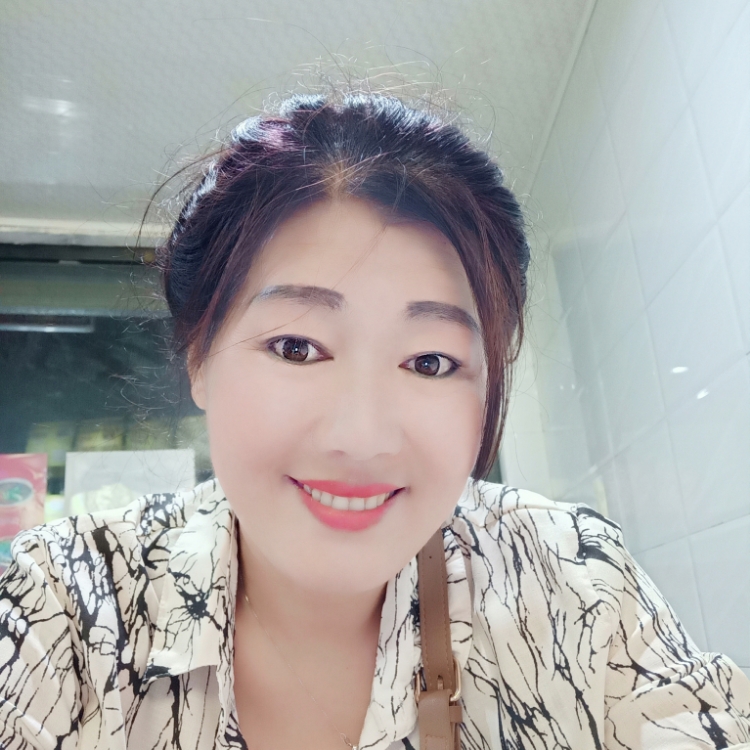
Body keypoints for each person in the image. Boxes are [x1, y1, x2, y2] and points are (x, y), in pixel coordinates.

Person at [0, 92, 748, 750]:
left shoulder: (568, 578)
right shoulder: (65, 605)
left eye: (430, 361)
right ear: (199, 354)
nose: (361, 437)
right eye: (297, 347)